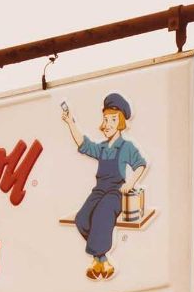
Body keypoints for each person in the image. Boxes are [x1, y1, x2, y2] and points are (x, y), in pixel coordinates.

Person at [60, 92, 148, 281]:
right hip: (99, 191)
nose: (107, 124)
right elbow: (84, 144)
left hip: (115, 193)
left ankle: (97, 261)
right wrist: (70, 123)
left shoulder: (126, 147)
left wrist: (131, 183)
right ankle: (102, 259)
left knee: (102, 215)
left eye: (113, 120)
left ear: (121, 122)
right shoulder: (102, 148)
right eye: (106, 119)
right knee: (82, 219)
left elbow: (141, 165)